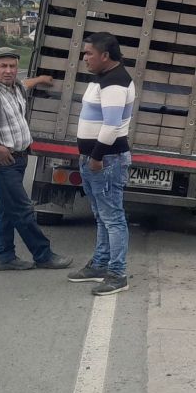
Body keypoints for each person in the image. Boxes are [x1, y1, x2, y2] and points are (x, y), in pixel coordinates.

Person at [0, 46, 73, 272]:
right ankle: (43, 255)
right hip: (3, 163)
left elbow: (25, 83)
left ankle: (5, 257)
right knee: (23, 211)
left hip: (18, 159)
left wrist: (41, 79)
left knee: (7, 209)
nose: (9, 70)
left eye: (12, 66)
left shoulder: (14, 87)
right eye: (3, 66)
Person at [67, 32, 136, 296]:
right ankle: (100, 264)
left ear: (105, 55)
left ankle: (117, 274)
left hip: (107, 159)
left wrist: (96, 157)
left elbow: (111, 126)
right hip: (97, 159)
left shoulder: (115, 83)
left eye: (89, 53)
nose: (85, 58)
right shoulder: (103, 78)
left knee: (113, 218)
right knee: (101, 215)